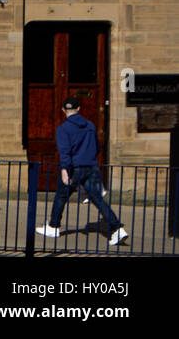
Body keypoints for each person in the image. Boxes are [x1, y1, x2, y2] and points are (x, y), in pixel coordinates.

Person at [36, 97, 128, 246]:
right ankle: (117, 228)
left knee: (61, 196)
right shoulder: (90, 126)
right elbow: (97, 146)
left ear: (63, 110)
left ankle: (53, 226)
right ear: (79, 109)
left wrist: (65, 169)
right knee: (97, 199)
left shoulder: (63, 128)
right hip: (91, 167)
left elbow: (65, 151)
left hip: (74, 168)